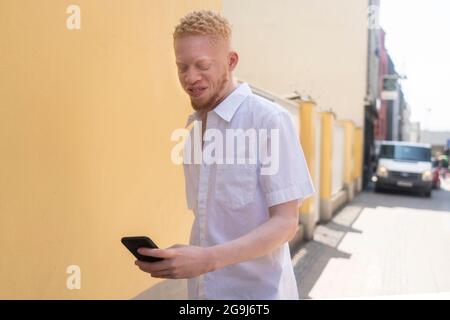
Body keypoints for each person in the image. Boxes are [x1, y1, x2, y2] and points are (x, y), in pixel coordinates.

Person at [135, 10, 315, 299]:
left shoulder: (268, 121)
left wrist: (207, 259)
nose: (190, 77)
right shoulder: (192, 132)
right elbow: (209, 221)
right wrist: (186, 257)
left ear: (231, 62)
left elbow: (285, 222)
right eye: (182, 67)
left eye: (202, 65)